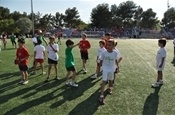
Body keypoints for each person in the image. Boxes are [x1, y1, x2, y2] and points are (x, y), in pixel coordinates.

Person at [99, 39, 119, 104]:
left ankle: (109, 88)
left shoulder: (115, 53)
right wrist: (100, 68)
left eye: (110, 45)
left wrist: (117, 67)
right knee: (104, 81)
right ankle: (101, 95)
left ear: (113, 46)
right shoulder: (104, 53)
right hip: (105, 69)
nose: (108, 46)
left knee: (111, 80)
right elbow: (101, 61)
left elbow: (115, 60)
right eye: (107, 45)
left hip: (111, 69)